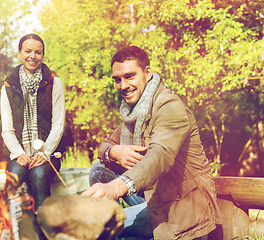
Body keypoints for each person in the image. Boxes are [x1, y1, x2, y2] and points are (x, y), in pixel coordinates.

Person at [82, 46, 222, 239]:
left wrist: (115, 187)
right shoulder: (134, 111)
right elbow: (104, 145)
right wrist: (114, 151)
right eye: (117, 79)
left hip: (180, 202)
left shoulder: (170, 107)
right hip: (151, 192)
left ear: (147, 73)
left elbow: (159, 157)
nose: (123, 85)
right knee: (99, 168)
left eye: (129, 76)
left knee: (102, 227)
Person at [0, 33, 65, 209]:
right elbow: (7, 129)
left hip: (48, 153)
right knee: (15, 175)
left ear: (43, 55)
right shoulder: (8, 86)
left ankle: (45, 228)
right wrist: (19, 153)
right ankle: (15, 227)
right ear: (19, 53)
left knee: (38, 174)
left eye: (38, 52)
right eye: (28, 51)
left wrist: (44, 153)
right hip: (18, 152)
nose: (33, 56)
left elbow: (58, 124)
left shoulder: (54, 82)